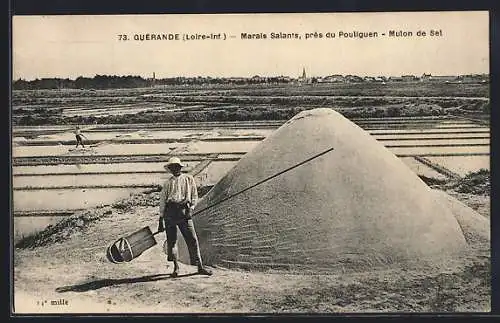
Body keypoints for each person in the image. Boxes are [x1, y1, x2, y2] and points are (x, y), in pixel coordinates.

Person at [158, 157, 213, 277]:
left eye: (176, 167)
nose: (175, 169)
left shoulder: (189, 179)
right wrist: (161, 218)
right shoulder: (167, 183)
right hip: (170, 213)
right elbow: (163, 201)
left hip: (184, 211)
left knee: (192, 240)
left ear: (180, 167)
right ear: (170, 169)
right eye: (172, 167)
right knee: (172, 242)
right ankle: (176, 268)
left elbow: (194, 196)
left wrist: (191, 209)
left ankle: (200, 267)